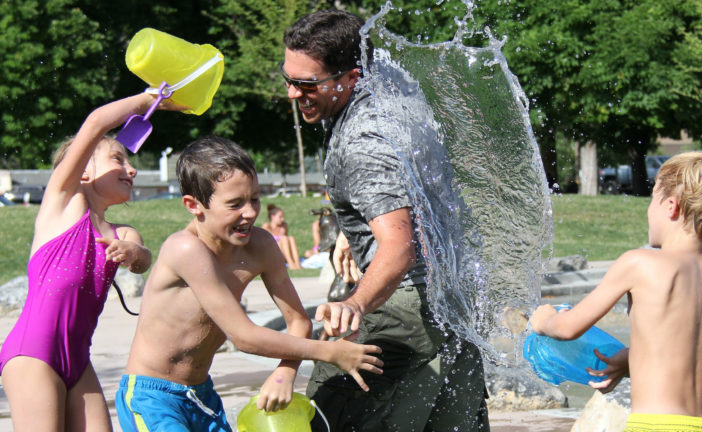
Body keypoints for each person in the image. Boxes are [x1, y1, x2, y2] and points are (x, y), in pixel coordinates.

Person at [282, 9, 490, 431]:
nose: (292, 94)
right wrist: (352, 227)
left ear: (352, 76)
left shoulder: (363, 142)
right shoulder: (396, 88)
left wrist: (355, 302)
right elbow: (410, 187)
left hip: (402, 307)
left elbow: (398, 247)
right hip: (456, 298)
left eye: (306, 84)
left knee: (329, 417)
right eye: (288, 79)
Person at [115, 137, 383, 432]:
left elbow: (297, 321)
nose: (250, 212)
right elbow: (243, 336)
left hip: (201, 395)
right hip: (152, 397)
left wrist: (285, 371)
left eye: (254, 198)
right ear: (193, 205)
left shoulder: (261, 246)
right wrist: (330, 353)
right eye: (235, 204)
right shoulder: (185, 249)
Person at [530, 151, 702, 432]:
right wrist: (631, 359)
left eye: (651, 201)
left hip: (653, 425)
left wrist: (543, 320)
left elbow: (568, 327)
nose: (648, 212)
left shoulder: (639, 263)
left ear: (671, 206)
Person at [0, 93, 174, 431]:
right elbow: (96, 123)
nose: (132, 169)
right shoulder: (63, 204)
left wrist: (135, 254)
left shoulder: (120, 231)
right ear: (82, 173)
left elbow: (142, 259)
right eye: (118, 160)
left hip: (79, 361)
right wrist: (147, 99)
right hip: (34, 353)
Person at [261, 203, 302, 270]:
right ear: (272, 217)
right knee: (284, 238)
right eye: (280, 217)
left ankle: (297, 263)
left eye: (283, 217)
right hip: (272, 253)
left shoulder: (283, 226)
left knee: (291, 238)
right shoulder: (266, 226)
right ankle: (291, 263)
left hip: (283, 254)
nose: (282, 219)